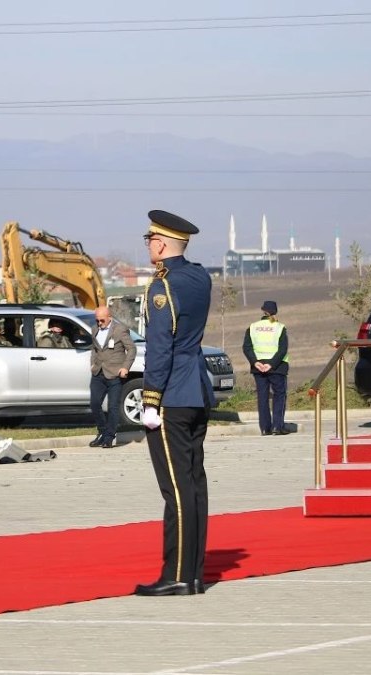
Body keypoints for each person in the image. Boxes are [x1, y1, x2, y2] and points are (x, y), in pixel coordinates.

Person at [134, 210, 215, 597]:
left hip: (172, 395)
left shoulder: (161, 288)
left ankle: (178, 574)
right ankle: (194, 572)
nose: (148, 244)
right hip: (197, 388)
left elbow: (160, 346)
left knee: (177, 489)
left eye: (150, 239)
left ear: (161, 244)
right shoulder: (200, 277)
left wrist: (150, 399)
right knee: (194, 485)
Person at [88, 306, 135, 448]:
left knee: (113, 407)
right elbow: (95, 349)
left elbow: (132, 348)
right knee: (95, 403)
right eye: (97, 320)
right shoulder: (94, 329)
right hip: (98, 372)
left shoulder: (120, 330)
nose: (99, 323)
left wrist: (125, 367)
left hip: (115, 373)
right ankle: (102, 432)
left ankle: (109, 437)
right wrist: (92, 363)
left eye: (102, 320)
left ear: (109, 317)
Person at [243, 301, 291, 436]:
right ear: (275, 312)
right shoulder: (280, 327)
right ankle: (277, 426)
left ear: (262, 310)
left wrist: (255, 362)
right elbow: (283, 349)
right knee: (279, 395)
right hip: (277, 367)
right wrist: (271, 364)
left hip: (258, 367)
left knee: (262, 397)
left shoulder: (252, 327)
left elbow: (247, 347)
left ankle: (265, 428)